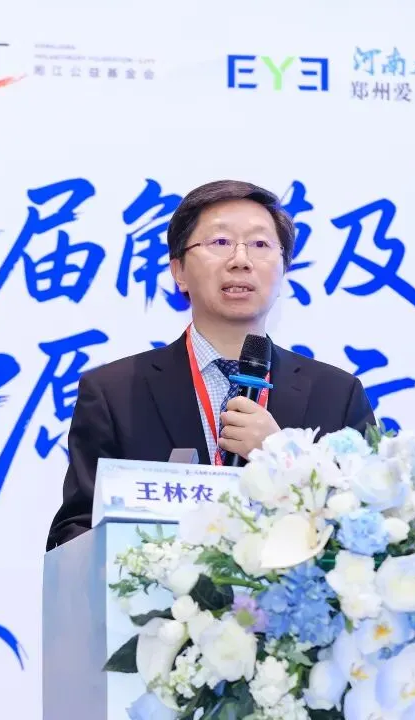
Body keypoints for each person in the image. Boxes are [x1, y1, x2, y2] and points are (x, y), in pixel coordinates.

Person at [45, 180, 376, 551]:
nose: (240, 260)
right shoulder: (114, 393)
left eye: (260, 244)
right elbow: (74, 532)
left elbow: (370, 527)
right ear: (179, 271)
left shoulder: (337, 394)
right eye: (220, 242)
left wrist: (282, 456)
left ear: (284, 268)